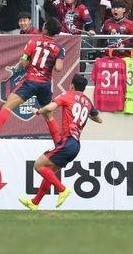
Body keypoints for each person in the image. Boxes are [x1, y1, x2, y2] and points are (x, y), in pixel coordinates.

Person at [18, 73, 102, 211]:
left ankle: (62, 189)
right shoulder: (87, 102)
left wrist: (38, 111)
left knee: (38, 166)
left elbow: (50, 108)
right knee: (50, 172)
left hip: (68, 141)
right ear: (84, 88)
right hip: (75, 145)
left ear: (72, 85)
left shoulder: (67, 95)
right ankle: (35, 202)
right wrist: (86, 112)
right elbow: (99, 119)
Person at [0, 17, 64, 145]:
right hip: (45, 85)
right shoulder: (59, 49)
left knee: (7, 106)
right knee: (48, 115)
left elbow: (23, 63)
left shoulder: (33, 42)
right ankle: (58, 144)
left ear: (45, 29)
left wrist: (25, 56)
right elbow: (59, 68)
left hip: (31, 81)